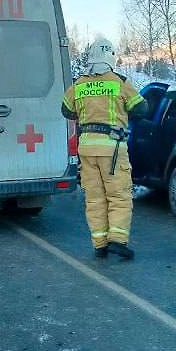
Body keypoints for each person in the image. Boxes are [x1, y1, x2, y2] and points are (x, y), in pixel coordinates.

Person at [61, 37, 148, 259]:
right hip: (113, 149)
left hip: (87, 148)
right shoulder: (119, 82)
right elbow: (141, 108)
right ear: (111, 57)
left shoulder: (78, 84)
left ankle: (99, 242)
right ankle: (117, 239)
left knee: (94, 197)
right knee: (118, 195)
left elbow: (66, 110)